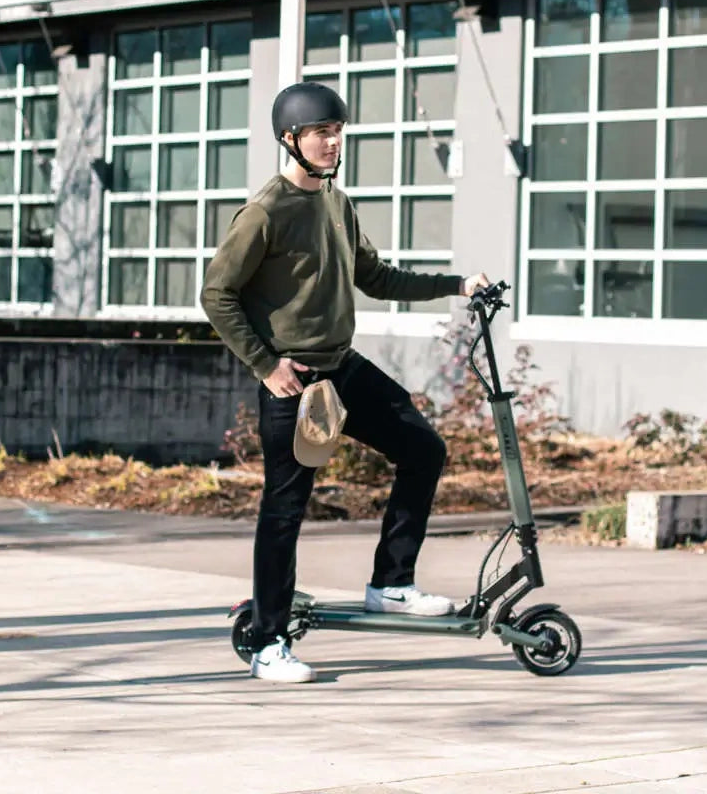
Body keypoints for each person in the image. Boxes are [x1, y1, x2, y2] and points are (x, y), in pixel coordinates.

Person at [201, 81, 490, 683]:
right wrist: (266, 365)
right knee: (285, 508)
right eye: (321, 134)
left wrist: (457, 285)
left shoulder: (335, 201)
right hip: (295, 380)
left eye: (337, 132)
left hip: (343, 366)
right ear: (291, 139)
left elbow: (376, 277)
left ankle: (391, 583)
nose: (333, 143)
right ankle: (268, 642)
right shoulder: (265, 212)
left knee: (423, 449)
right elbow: (217, 293)